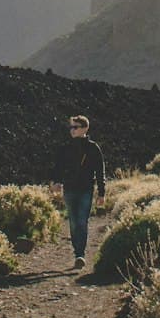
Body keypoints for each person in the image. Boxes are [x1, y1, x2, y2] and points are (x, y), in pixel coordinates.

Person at [52, 114, 106, 269]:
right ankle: (78, 252)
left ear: (85, 128)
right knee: (73, 221)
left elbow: (100, 171)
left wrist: (101, 193)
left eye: (75, 127)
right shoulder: (65, 148)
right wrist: (56, 182)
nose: (72, 130)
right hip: (69, 189)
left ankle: (79, 254)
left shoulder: (93, 148)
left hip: (86, 190)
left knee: (82, 221)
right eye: (71, 127)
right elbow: (58, 166)